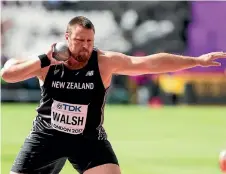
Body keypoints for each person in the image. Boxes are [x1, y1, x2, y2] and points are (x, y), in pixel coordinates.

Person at [1, 16, 226, 174]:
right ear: (67, 38)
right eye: (79, 41)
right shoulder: (47, 62)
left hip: (87, 140)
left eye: (89, 41)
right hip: (46, 136)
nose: (85, 47)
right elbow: (7, 74)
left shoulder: (104, 62)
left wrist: (196, 61)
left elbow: (149, 63)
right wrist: (43, 60)